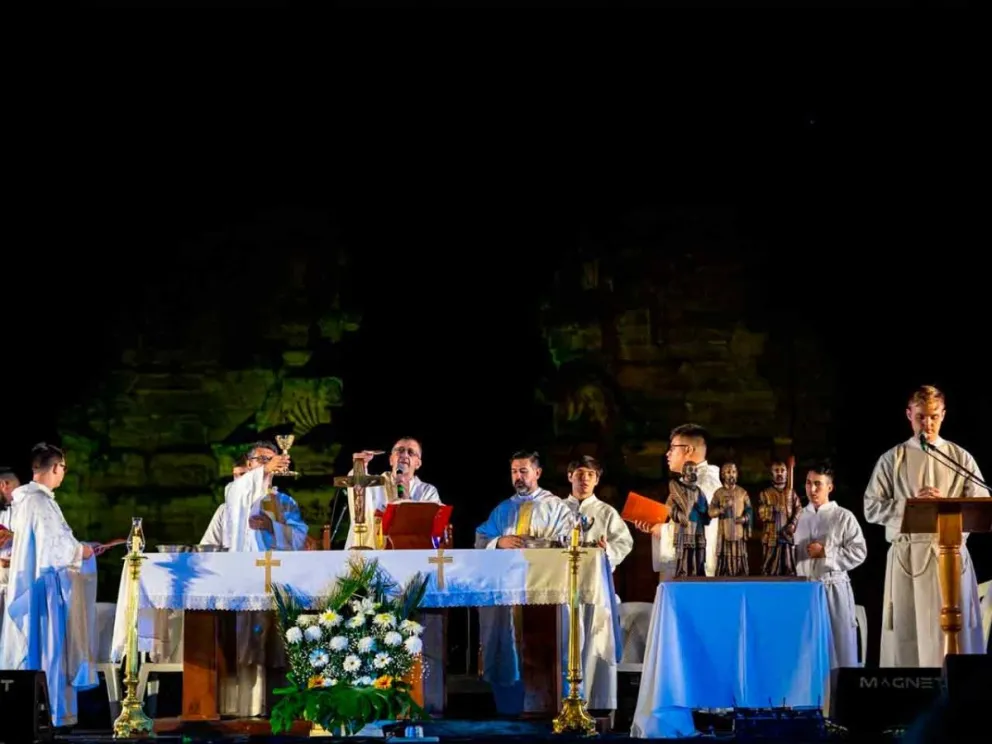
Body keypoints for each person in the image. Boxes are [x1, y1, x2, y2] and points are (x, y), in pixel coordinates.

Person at [864, 385, 988, 667]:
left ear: (943, 415)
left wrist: (946, 505)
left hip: (950, 553)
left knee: (952, 637)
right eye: (921, 417)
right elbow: (871, 507)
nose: (927, 424)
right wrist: (910, 506)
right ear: (909, 415)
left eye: (933, 416)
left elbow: (981, 503)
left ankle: (959, 690)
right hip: (909, 556)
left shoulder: (959, 457)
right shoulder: (892, 459)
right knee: (909, 632)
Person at [200, 441, 309, 717]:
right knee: (244, 646)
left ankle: (277, 709)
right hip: (242, 582)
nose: (268, 464)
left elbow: (299, 538)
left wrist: (274, 525)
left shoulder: (283, 501)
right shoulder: (235, 496)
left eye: (272, 460)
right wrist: (262, 471)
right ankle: (240, 708)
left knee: (276, 648)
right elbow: (238, 493)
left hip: (277, 584)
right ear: (248, 464)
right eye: (261, 459)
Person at [0, 444, 102, 727]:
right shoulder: (40, 502)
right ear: (56, 467)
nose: (63, 475)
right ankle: (49, 715)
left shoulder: (21, 501)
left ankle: (27, 715)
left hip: (30, 587)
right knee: (48, 651)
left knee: (31, 650)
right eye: (63, 469)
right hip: (43, 592)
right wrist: (82, 551)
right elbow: (56, 548)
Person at [475, 450, 576, 716]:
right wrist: (500, 542)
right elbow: (481, 538)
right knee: (507, 646)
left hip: (544, 590)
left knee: (548, 647)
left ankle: (552, 704)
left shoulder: (555, 507)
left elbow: (569, 539)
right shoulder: (503, 509)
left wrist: (541, 545)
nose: (518, 477)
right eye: (514, 472)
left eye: (523, 471)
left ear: (537, 473)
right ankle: (509, 708)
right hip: (508, 593)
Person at [561, 455, 633, 716]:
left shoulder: (605, 512)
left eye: (590, 475)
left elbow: (624, 542)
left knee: (594, 642)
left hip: (597, 589)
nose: (584, 479)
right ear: (570, 477)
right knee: (565, 642)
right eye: (579, 473)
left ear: (597, 480)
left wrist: (607, 552)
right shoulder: (556, 509)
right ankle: (562, 702)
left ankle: (596, 703)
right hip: (562, 589)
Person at [795, 461, 867, 668]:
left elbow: (859, 552)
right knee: (806, 648)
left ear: (830, 487)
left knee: (839, 644)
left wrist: (826, 552)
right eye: (808, 483)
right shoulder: (798, 516)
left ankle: (840, 694)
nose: (812, 489)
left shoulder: (843, 517)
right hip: (805, 588)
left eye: (818, 484)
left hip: (833, 587)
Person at [634, 424, 721, 578]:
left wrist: (662, 530)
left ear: (688, 450)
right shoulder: (689, 483)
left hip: (696, 568)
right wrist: (655, 525)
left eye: (672, 448)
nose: (668, 454)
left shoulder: (705, 484)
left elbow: (701, 528)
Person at [343, 437, 441, 549]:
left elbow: (433, 528)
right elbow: (357, 484)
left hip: (413, 554)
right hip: (374, 555)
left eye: (411, 452)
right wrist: (360, 466)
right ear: (391, 459)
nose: (404, 455)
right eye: (400, 450)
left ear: (418, 463)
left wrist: (407, 499)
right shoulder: (374, 484)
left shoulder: (427, 491)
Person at [758, 459, 803, 576]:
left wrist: (793, 524)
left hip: (787, 532)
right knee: (770, 563)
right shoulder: (765, 494)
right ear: (771, 473)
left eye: (782, 470)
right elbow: (761, 513)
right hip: (772, 533)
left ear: (787, 474)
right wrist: (772, 509)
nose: (780, 473)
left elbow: (799, 509)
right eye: (776, 470)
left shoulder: (791, 493)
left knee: (788, 562)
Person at [708, 462, 753, 576]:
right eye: (728, 472)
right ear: (723, 475)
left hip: (738, 531)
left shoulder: (742, 493)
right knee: (725, 556)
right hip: (724, 532)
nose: (731, 474)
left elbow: (749, 510)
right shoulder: (718, 493)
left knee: (739, 556)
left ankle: (740, 574)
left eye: (733, 472)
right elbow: (710, 511)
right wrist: (721, 509)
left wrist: (745, 518)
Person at [0, 466, 22, 638]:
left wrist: (12, 536)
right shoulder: (3, 511)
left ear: (3, 485)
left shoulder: (27, 508)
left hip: (18, 579)